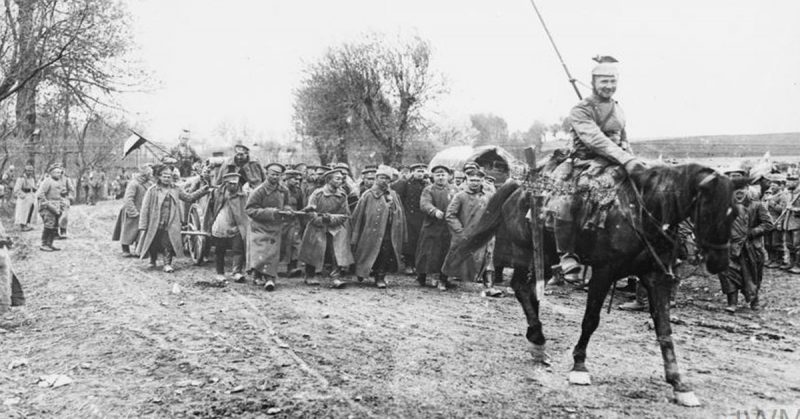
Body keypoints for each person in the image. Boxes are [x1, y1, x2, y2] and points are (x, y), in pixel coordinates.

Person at [547, 56, 645, 279]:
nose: (609, 86)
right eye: (604, 81)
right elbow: (595, 140)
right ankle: (567, 255)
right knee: (567, 200)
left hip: (616, 162)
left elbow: (623, 139)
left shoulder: (618, 109)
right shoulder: (580, 110)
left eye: (612, 81)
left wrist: (633, 160)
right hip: (585, 164)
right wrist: (625, 159)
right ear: (593, 82)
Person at [136, 164, 210, 272]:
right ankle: (152, 260)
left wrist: (203, 190)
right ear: (159, 177)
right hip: (155, 221)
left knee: (168, 242)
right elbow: (145, 208)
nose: (166, 179)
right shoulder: (152, 190)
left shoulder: (176, 189)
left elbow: (189, 198)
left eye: (169, 176)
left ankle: (167, 263)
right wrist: (143, 225)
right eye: (164, 176)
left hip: (171, 222)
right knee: (153, 241)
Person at [718, 183, 773, 312]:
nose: (738, 193)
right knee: (728, 273)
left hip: (751, 247)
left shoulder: (757, 205)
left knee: (752, 275)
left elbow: (768, 224)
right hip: (730, 246)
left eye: (741, 190)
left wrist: (752, 232)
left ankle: (754, 301)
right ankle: (732, 303)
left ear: (747, 191)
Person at [441, 169, 497, 293]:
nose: (475, 183)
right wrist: (460, 231)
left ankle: (489, 286)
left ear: (482, 181)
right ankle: (443, 280)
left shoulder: (488, 196)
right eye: (472, 180)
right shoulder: (460, 196)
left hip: (483, 234)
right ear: (467, 180)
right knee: (454, 256)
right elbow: (450, 215)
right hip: (464, 233)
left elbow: (494, 213)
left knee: (487, 257)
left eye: (478, 180)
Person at [351, 165, 407, 289]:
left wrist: (392, 209)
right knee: (367, 251)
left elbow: (400, 213)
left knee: (385, 252)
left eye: (387, 179)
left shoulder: (393, 194)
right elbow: (358, 215)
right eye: (381, 178)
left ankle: (380, 276)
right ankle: (362, 271)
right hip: (370, 231)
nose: (384, 181)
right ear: (376, 178)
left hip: (388, 230)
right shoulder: (368, 194)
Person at [298, 168, 354, 288]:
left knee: (337, 251)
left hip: (336, 227)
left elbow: (345, 214)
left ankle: (336, 277)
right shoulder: (317, 194)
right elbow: (310, 212)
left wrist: (331, 220)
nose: (341, 181)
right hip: (317, 227)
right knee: (313, 250)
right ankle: (310, 275)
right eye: (337, 178)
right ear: (329, 180)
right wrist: (322, 219)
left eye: (341, 178)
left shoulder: (342, 194)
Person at [245, 163, 292, 291]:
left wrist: (287, 210)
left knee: (273, 253)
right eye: (273, 174)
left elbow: (287, 204)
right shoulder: (259, 191)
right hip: (259, 227)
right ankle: (258, 274)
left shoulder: (284, 190)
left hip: (275, 226)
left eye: (278, 175)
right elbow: (249, 209)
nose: (275, 177)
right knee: (262, 252)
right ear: (267, 174)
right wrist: (271, 212)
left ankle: (270, 278)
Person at [415, 165, 454, 290]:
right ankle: (422, 275)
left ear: (448, 176)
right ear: (433, 176)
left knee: (445, 252)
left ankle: (442, 278)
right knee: (427, 252)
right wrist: (434, 211)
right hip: (431, 226)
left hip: (448, 227)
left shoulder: (454, 190)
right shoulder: (429, 190)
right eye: (438, 175)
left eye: (443, 175)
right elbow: (424, 203)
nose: (441, 177)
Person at [206, 172, 249, 283]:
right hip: (221, 224)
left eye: (235, 183)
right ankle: (220, 273)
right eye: (230, 184)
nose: (233, 186)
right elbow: (211, 207)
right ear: (225, 183)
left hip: (237, 225)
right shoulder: (217, 193)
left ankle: (237, 272)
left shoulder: (242, 195)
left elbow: (246, 210)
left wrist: (241, 225)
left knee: (238, 249)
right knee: (220, 250)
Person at [391, 163, 429, 274]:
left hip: (422, 216)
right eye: (418, 171)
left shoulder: (426, 184)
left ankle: (417, 265)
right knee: (409, 242)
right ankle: (409, 264)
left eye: (422, 171)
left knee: (420, 241)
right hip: (408, 216)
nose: (420, 174)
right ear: (412, 172)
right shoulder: (405, 183)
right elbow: (397, 197)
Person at [111, 165, 152, 257]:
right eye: (150, 174)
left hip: (143, 211)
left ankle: (139, 250)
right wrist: (133, 212)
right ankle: (125, 249)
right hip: (131, 210)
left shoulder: (149, 184)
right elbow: (128, 199)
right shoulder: (134, 183)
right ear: (145, 174)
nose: (151, 176)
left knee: (140, 232)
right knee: (127, 230)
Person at [35, 164, 73, 251]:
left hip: (58, 205)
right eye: (56, 172)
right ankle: (44, 244)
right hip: (49, 206)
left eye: (60, 172)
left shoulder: (59, 181)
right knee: (48, 225)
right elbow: (40, 193)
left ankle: (50, 243)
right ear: (51, 173)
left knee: (55, 226)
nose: (59, 174)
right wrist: (47, 204)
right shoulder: (47, 181)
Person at [281, 169, 305, 278]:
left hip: (294, 221)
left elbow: (301, 207)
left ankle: (292, 268)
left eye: (299, 180)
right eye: (294, 179)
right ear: (287, 179)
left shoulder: (298, 191)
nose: (297, 182)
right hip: (281, 222)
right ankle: (278, 269)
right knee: (282, 245)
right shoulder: (279, 190)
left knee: (295, 243)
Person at [780, 174, 800, 273]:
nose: (788, 183)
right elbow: (784, 208)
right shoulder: (787, 193)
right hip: (787, 223)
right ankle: (791, 263)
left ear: (797, 181)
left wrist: (794, 209)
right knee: (789, 245)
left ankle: (798, 265)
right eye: (787, 181)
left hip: (797, 224)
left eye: (790, 181)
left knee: (798, 246)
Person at [13, 165, 38, 231]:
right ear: (25, 171)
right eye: (28, 171)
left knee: (30, 210)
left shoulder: (32, 179)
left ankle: (27, 224)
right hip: (23, 196)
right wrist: (23, 196)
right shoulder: (21, 178)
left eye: (31, 171)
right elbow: (17, 189)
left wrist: (35, 190)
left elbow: (33, 187)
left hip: (30, 195)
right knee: (22, 212)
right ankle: (22, 226)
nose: (30, 172)